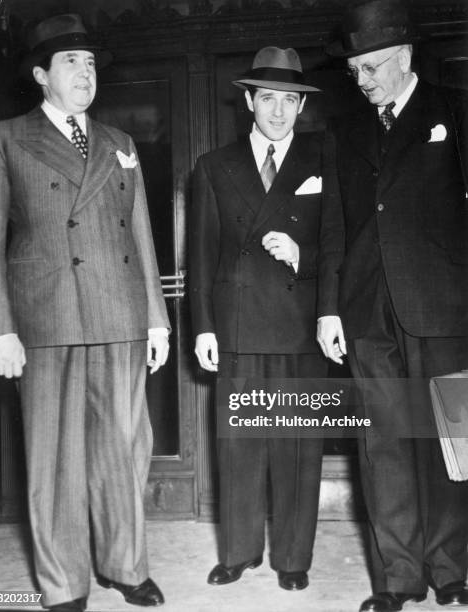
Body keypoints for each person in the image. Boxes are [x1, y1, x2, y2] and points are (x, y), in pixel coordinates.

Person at [0, 14, 170, 612]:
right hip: (47, 320)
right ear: (41, 75)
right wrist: (0, 329)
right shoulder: (5, 138)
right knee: (55, 461)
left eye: (91, 63)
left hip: (118, 315)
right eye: (71, 62)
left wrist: (157, 319)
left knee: (124, 450)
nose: (85, 73)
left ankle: (126, 566)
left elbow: (141, 235)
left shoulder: (120, 144)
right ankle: (64, 585)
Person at [317, 1, 468, 611]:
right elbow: (334, 228)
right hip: (366, 310)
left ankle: (451, 566)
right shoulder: (343, 132)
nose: (364, 81)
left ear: (405, 57)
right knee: (383, 446)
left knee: (450, 441)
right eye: (355, 70)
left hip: (446, 306)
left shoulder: (453, 110)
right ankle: (398, 578)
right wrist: (330, 309)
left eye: (374, 67)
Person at [190, 46, 337, 591]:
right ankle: (239, 552)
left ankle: (293, 559)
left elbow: (344, 243)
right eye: (268, 98)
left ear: (302, 105)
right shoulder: (213, 165)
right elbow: (202, 255)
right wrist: (203, 326)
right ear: (248, 100)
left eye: (290, 100)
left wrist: (303, 254)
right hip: (236, 324)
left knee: (298, 449)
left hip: (302, 324)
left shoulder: (327, 159)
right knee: (240, 444)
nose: (279, 111)